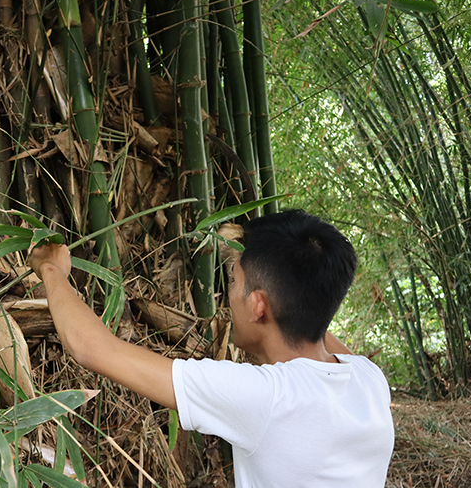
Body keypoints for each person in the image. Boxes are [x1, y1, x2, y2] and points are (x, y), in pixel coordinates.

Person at [29, 209, 394, 487]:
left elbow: (92, 348)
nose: (227, 294)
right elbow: (313, 313)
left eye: (234, 281)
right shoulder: (368, 379)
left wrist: (52, 271)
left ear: (258, 306)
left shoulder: (266, 397)